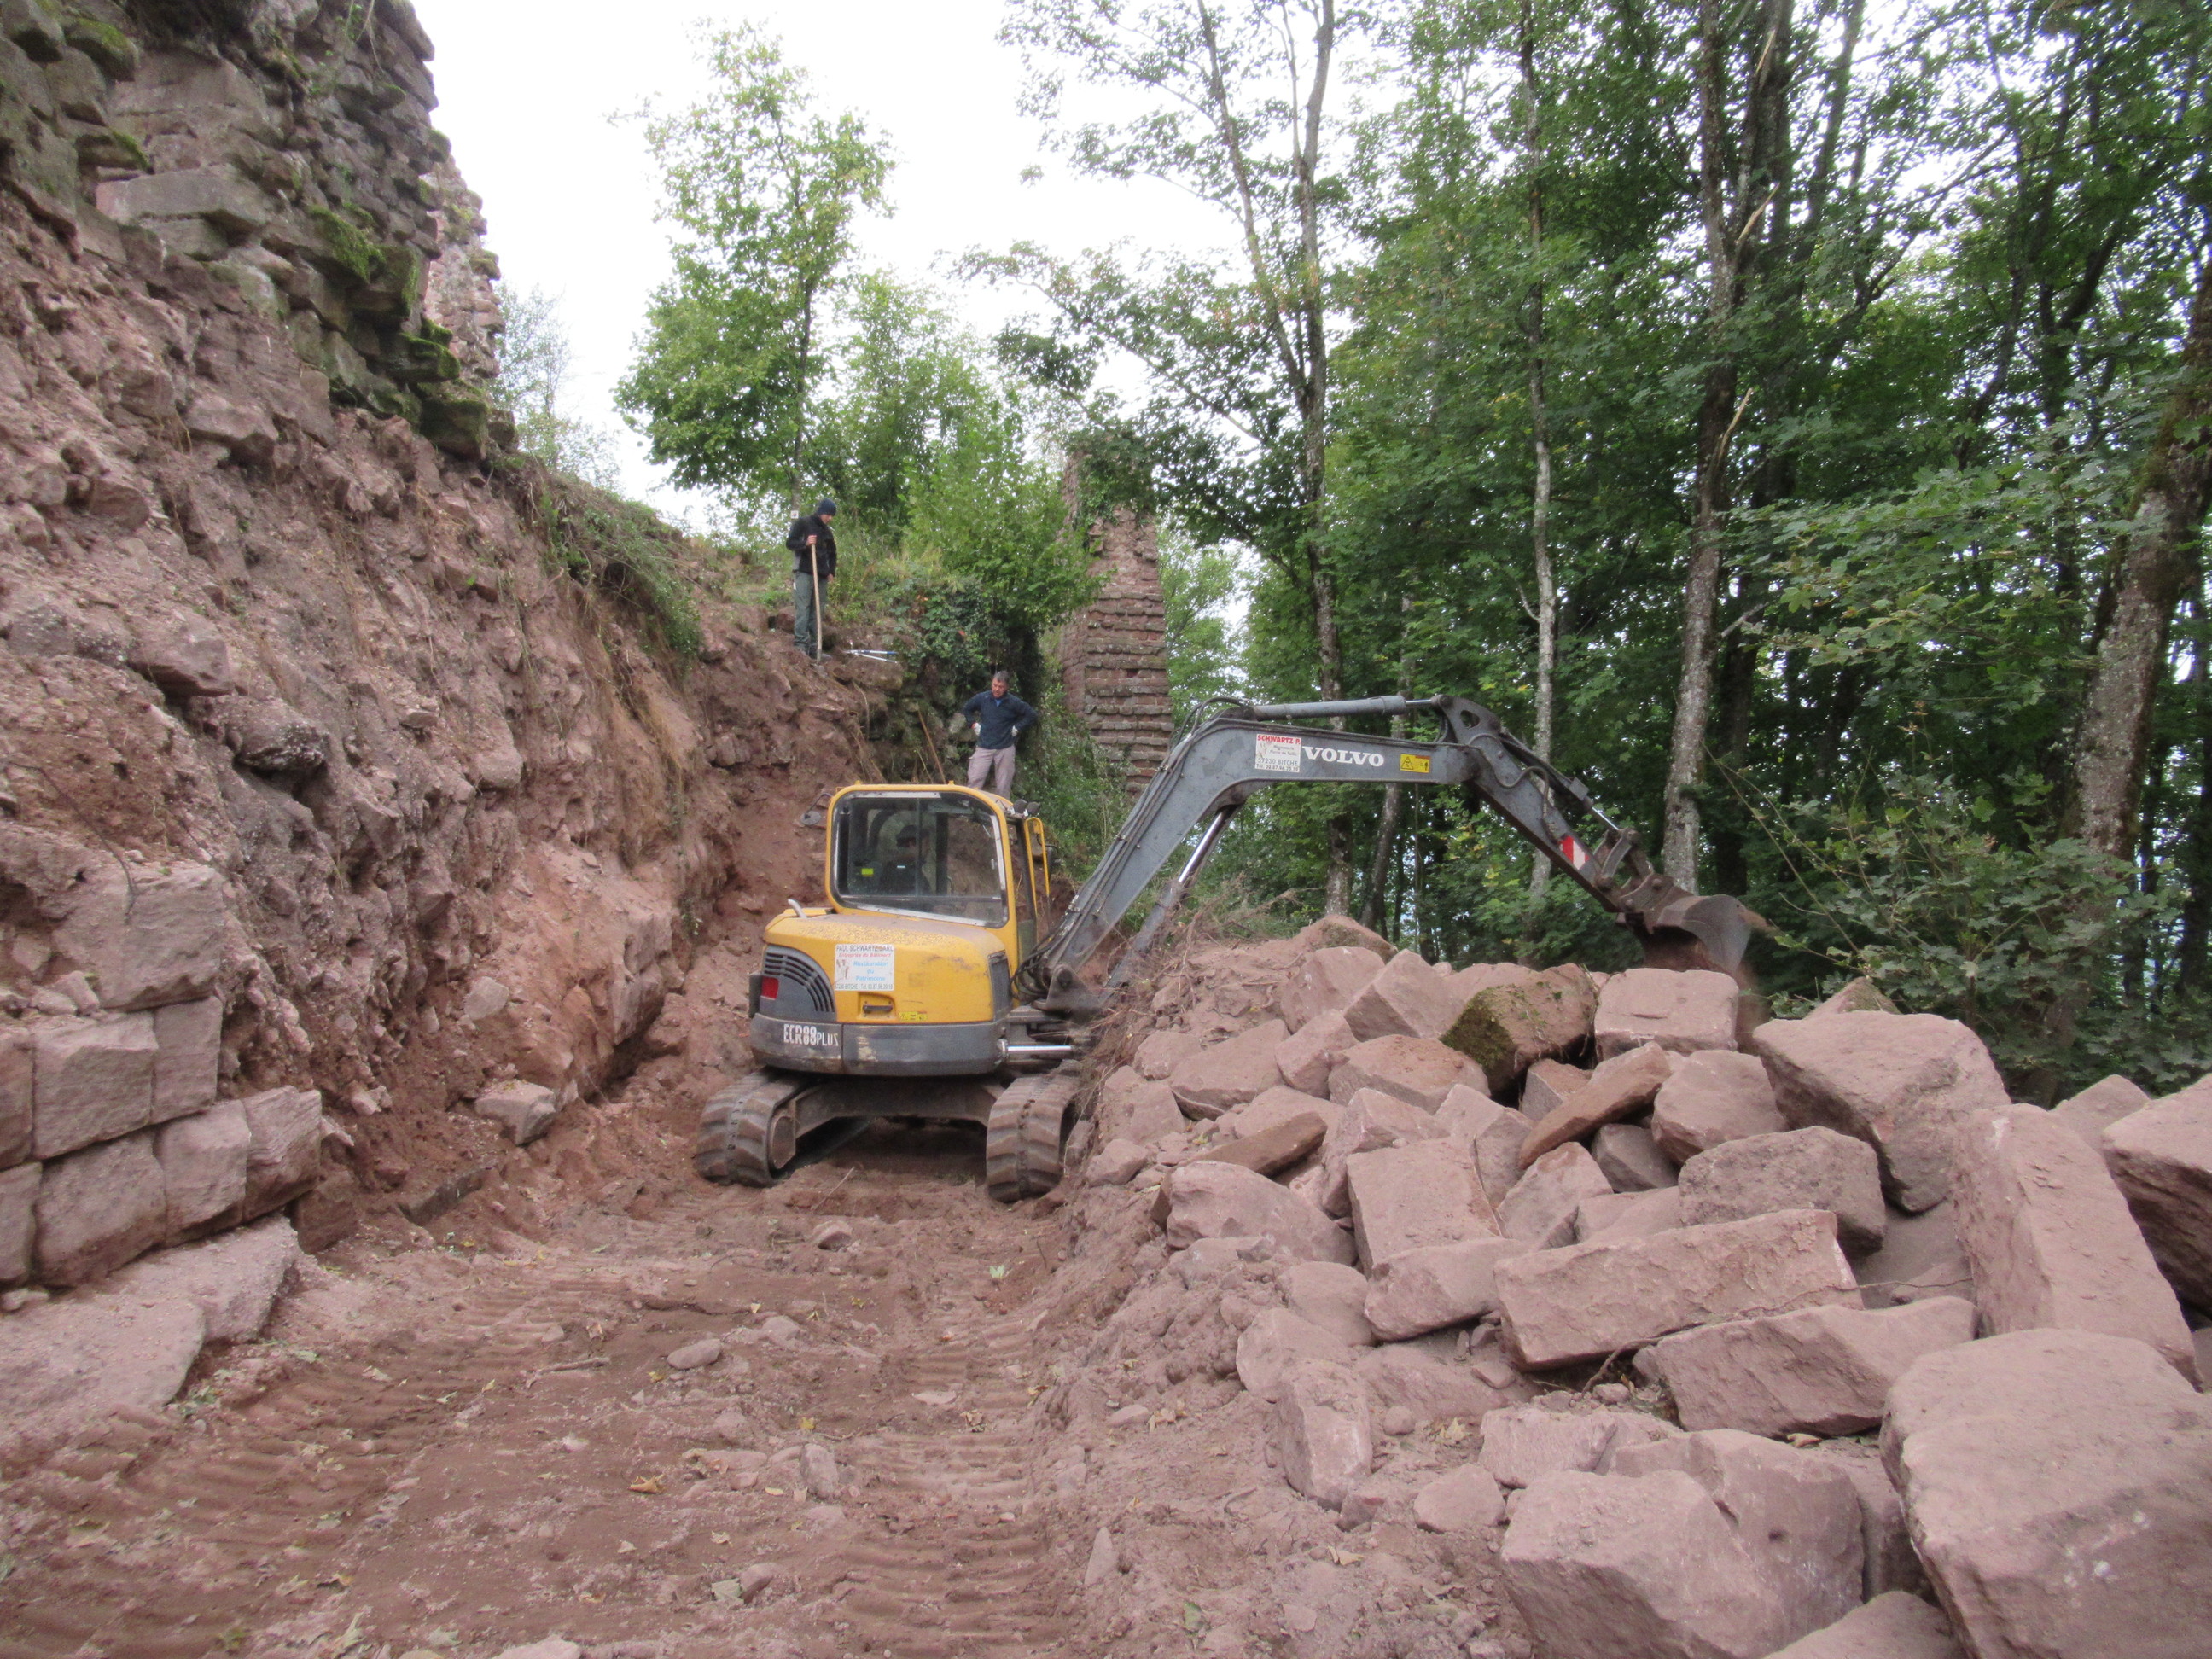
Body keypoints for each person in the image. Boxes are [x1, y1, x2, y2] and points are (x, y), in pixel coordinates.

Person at [957, 669, 1039, 797]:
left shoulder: (1013, 702)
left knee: (1003, 785)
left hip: (1005, 748)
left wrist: (1017, 728)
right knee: (974, 780)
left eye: (1000, 687)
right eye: (995, 685)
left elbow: (1031, 715)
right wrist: (973, 724)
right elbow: (967, 708)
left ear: (1006, 687)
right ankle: (970, 806)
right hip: (984, 746)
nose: (997, 689)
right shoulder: (983, 698)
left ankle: (1002, 808)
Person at [784, 498, 837, 655]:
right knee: (803, 607)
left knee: (818, 611)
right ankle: (801, 645)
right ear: (821, 511)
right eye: (828, 514)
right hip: (804, 572)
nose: (830, 518)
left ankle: (815, 647)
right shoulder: (803, 523)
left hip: (821, 575)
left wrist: (831, 571)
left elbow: (832, 553)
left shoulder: (827, 532)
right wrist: (805, 543)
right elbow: (790, 543)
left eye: (832, 516)